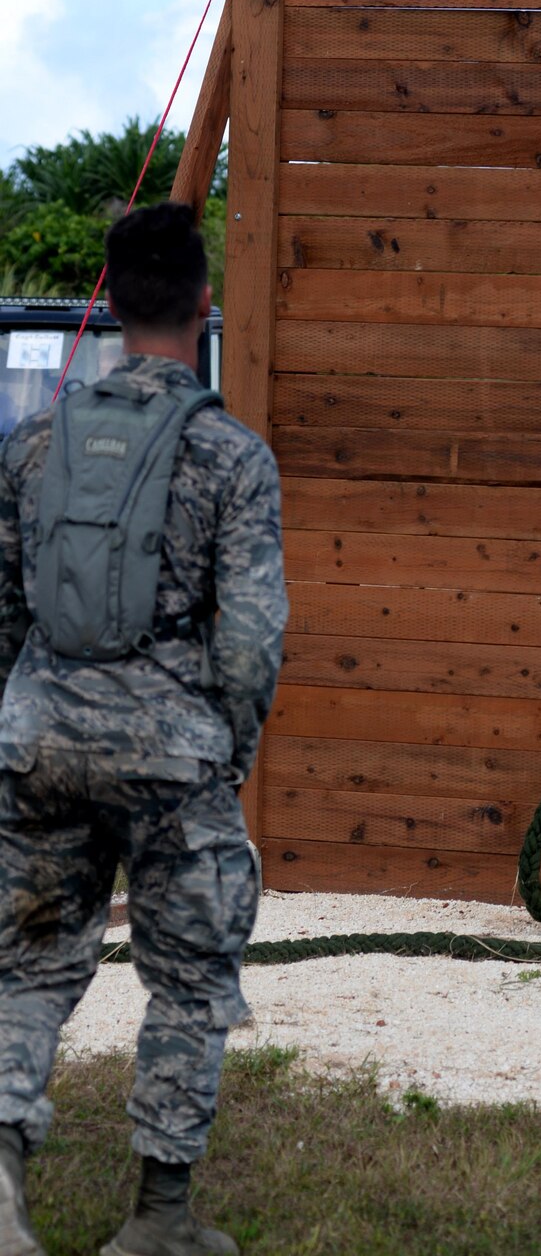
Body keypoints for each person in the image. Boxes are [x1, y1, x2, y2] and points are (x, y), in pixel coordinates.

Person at [0, 204, 287, 1256]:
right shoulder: (232, 455)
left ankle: (1, 1185)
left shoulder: (34, 444)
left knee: (23, 966)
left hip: (37, 739)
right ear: (203, 304)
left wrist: (20, 723)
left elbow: (3, 609)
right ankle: (159, 1218)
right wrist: (227, 747)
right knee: (191, 975)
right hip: (174, 753)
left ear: (109, 302)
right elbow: (254, 636)